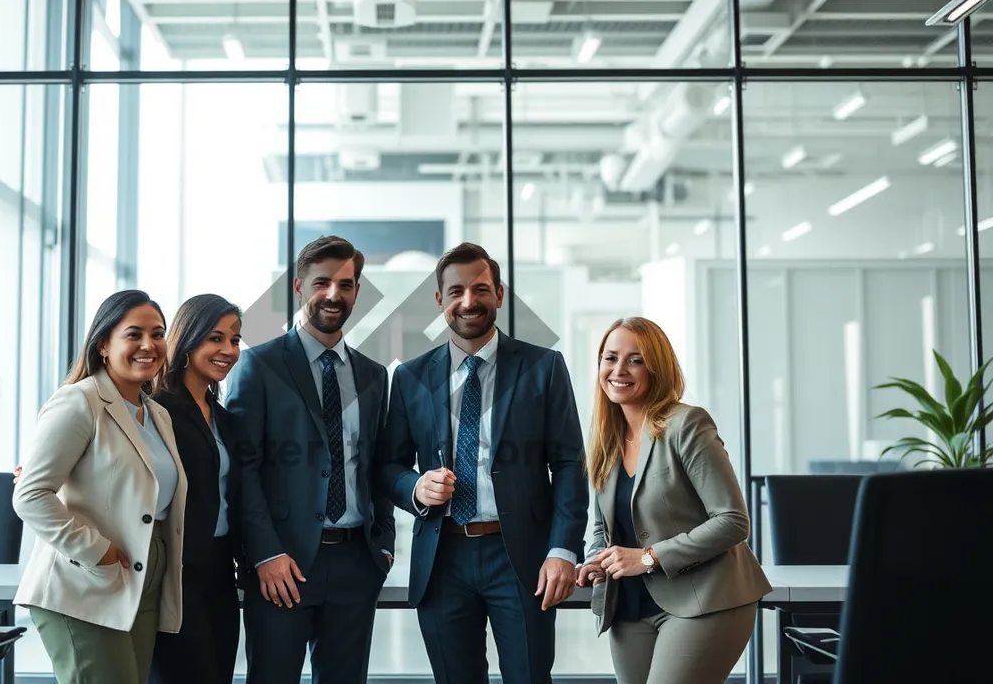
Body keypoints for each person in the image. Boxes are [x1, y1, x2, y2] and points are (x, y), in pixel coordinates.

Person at [376, 241, 589, 684]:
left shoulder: (543, 367)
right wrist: (415, 488)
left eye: (480, 289)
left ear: (499, 294)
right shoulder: (410, 376)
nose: (468, 301)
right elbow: (388, 466)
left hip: (521, 557)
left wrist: (563, 549)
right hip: (442, 556)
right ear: (440, 300)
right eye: (456, 292)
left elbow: (569, 463)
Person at [224, 235, 396, 684]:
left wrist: (384, 542)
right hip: (282, 565)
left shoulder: (374, 376)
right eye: (322, 282)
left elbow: (378, 465)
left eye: (346, 283)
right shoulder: (258, 365)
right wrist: (264, 553)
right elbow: (243, 470)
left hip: (356, 560)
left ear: (357, 290)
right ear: (299, 287)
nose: (334, 294)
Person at [575, 316, 771, 684]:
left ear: (657, 368)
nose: (619, 370)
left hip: (705, 599)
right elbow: (603, 525)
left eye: (635, 359)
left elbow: (733, 520)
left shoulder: (687, 425)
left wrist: (648, 557)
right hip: (630, 604)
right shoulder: (606, 436)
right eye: (610, 357)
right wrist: (597, 560)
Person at [12, 290, 188, 684]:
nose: (149, 344)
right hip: (86, 582)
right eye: (134, 334)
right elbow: (30, 496)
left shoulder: (157, 413)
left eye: (158, 333)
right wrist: (99, 551)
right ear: (104, 345)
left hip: (143, 577)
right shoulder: (78, 402)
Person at [147, 294, 248, 684]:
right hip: (175, 570)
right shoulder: (157, 408)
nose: (228, 350)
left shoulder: (224, 418)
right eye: (215, 338)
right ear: (187, 341)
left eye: (235, 340)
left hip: (221, 570)